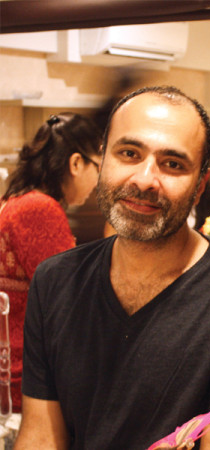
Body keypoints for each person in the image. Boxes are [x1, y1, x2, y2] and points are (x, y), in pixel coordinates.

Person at [15, 86, 210, 449]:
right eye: (129, 154)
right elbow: (40, 437)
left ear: (200, 186)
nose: (145, 179)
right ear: (103, 160)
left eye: (173, 164)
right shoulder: (55, 280)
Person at [0, 112, 102, 413]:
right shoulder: (39, 209)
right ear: (76, 163)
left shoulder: (16, 201)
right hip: (23, 376)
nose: (98, 182)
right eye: (98, 167)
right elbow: (70, 299)